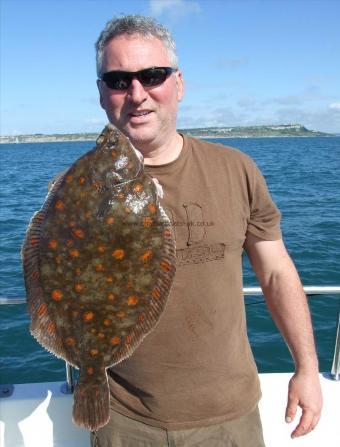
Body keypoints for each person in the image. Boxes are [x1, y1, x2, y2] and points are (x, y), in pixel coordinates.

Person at [92, 14, 322, 447]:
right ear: (102, 93)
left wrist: (307, 368)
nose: (137, 93)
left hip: (229, 417)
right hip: (121, 417)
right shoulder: (80, 189)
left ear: (178, 83)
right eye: (118, 79)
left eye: (153, 76)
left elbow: (274, 272)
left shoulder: (237, 169)